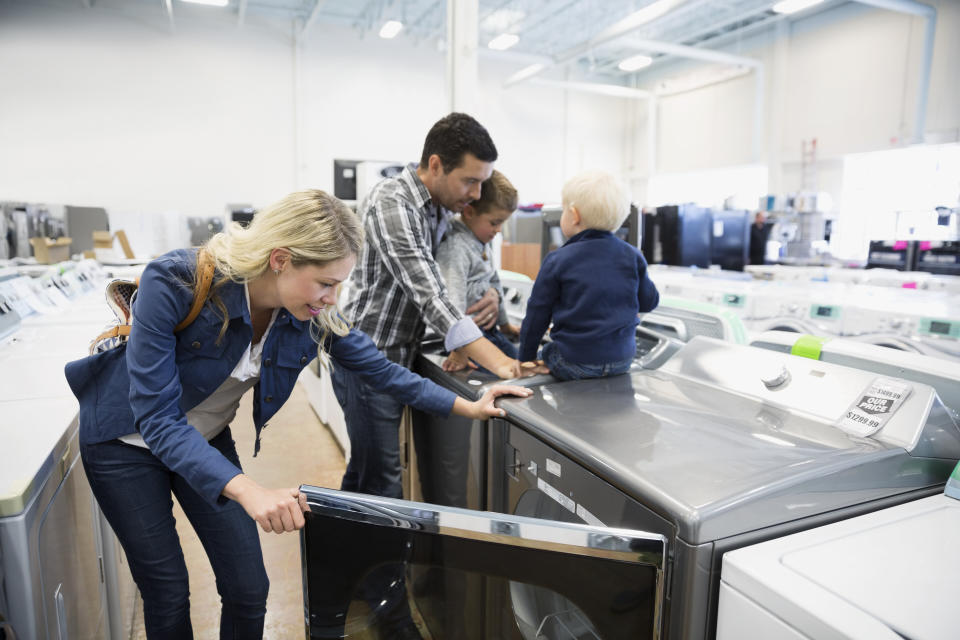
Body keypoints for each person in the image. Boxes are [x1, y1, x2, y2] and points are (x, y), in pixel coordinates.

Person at [64, 190, 530, 640]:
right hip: (124, 443)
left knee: (249, 588)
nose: (332, 297)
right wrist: (249, 489)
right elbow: (159, 422)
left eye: (339, 284)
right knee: (167, 592)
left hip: (203, 438)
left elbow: (381, 369)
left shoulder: (307, 314)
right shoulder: (176, 281)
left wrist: (468, 405)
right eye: (326, 283)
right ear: (281, 259)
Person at [334, 112, 540, 503]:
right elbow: (431, 294)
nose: (477, 194)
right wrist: (500, 363)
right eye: (470, 180)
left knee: (367, 472)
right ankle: (383, 564)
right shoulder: (392, 202)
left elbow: (464, 271)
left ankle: (346, 553)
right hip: (368, 359)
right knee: (383, 482)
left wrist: (492, 298)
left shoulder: (440, 209)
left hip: (401, 356)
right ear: (435, 165)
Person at [518, 170, 660, 381]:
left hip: (574, 362)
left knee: (547, 352)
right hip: (622, 360)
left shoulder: (557, 259)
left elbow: (537, 315)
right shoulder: (632, 255)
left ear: (574, 215)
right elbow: (649, 302)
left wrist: (525, 358)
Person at [436, 169, 520, 372]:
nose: (498, 229)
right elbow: (453, 299)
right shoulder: (456, 247)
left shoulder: (481, 240)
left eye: (503, 222)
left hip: (488, 332)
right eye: (494, 222)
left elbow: (494, 281)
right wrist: (459, 349)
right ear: (469, 212)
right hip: (469, 340)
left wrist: (505, 324)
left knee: (520, 364)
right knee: (512, 373)